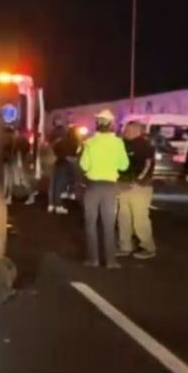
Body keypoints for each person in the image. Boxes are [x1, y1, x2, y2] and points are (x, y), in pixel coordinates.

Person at [79, 109, 129, 269]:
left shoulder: (89, 142)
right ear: (111, 125)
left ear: (97, 124)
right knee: (108, 223)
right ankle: (111, 261)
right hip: (110, 187)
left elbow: (83, 165)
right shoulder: (118, 143)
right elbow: (124, 165)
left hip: (92, 187)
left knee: (90, 223)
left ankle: (93, 259)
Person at [117, 120, 157, 259]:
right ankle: (125, 246)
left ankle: (148, 247)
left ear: (138, 131)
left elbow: (148, 166)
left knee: (140, 219)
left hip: (139, 187)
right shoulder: (122, 144)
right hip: (122, 186)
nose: (126, 132)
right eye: (126, 129)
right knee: (123, 218)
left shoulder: (144, 146)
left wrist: (138, 181)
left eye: (130, 130)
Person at [49, 126, 81, 214]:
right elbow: (79, 153)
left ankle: (53, 204)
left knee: (57, 183)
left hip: (61, 161)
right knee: (73, 178)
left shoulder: (62, 142)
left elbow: (55, 148)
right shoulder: (78, 143)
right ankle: (70, 193)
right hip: (72, 162)